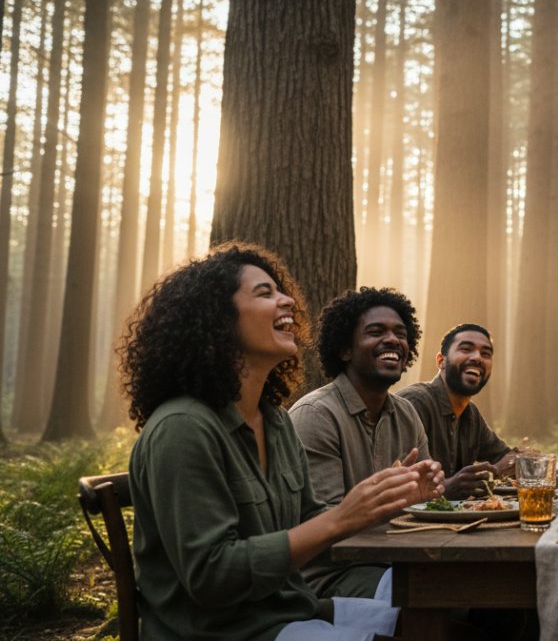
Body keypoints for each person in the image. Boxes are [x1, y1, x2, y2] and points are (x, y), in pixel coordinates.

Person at [123, 243, 444, 641]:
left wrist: (382, 501)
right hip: (224, 631)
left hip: (287, 611)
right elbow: (210, 576)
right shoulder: (182, 428)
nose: (287, 300)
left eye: (282, 290)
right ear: (218, 320)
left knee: (436, 618)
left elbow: (310, 526)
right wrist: (343, 517)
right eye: (265, 293)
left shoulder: (273, 420)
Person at [290, 287, 439, 599]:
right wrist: (395, 504)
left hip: (397, 562)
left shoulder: (406, 413)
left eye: (401, 333)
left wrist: (430, 496)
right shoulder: (316, 416)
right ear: (345, 350)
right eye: (376, 332)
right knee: (451, 601)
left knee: (500, 604)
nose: (393, 340)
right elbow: (323, 526)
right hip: (329, 577)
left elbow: (426, 504)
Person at [400, 323, 518, 499]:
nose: (477, 358)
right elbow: (403, 483)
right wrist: (448, 487)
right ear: (441, 361)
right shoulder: (415, 403)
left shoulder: (470, 414)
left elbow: (505, 456)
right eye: (466, 349)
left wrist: (515, 462)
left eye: (485, 354)